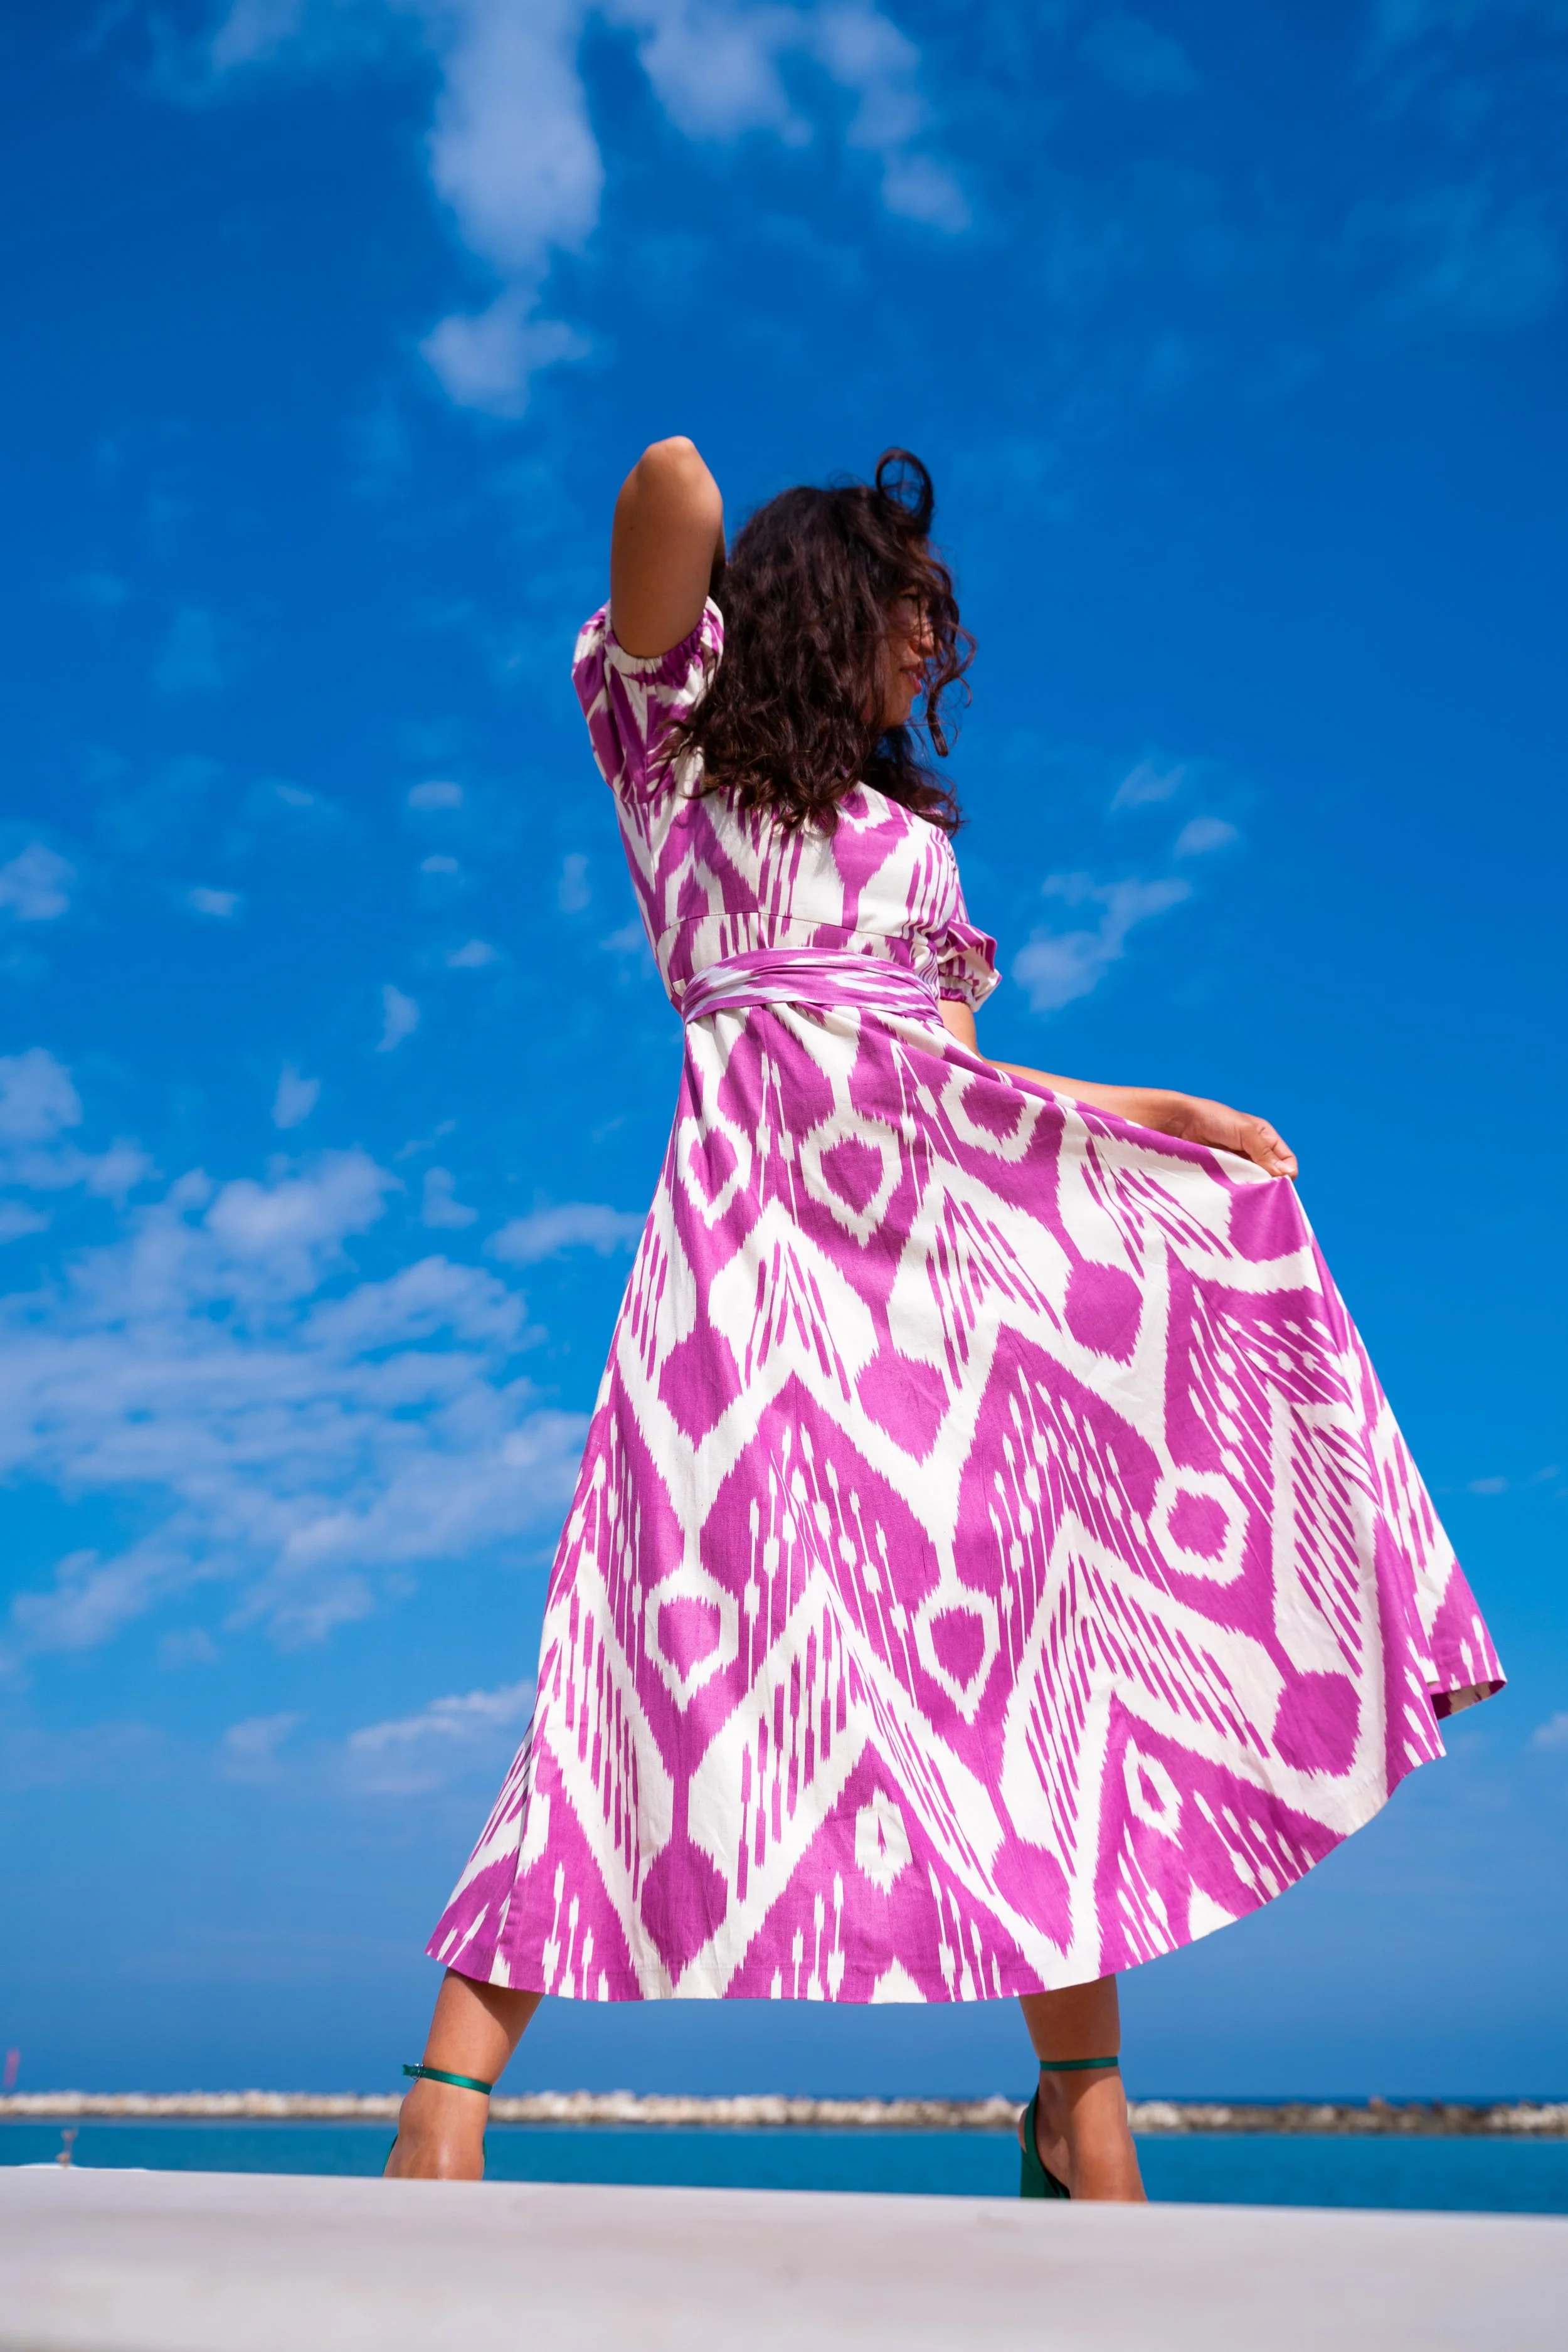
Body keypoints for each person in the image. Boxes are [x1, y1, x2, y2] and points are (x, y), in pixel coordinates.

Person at [386, 438, 1503, 2200]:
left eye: (943, 617)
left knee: (1036, 1657)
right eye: (915, 609)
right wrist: (807, 542)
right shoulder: (673, 752)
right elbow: (665, 489)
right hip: (749, 1266)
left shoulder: (910, 847)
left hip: (946, 1285)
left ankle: (1079, 2097)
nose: (940, 643)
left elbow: (955, 1080)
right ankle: (443, 2096)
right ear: (832, 603)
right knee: (640, 1639)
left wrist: (1172, 1117)